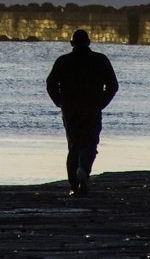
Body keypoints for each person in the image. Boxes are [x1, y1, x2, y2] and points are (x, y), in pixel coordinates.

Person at [45, 28, 119, 195]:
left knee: (74, 146)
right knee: (90, 143)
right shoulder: (100, 60)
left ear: (72, 43)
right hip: (92, 108)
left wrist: (59, 102)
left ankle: (74, 185)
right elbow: (113, 86)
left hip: (70, 109)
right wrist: (102, 103)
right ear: (89, 42)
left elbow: (50, 84)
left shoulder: (63, 61)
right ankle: (84, 170)